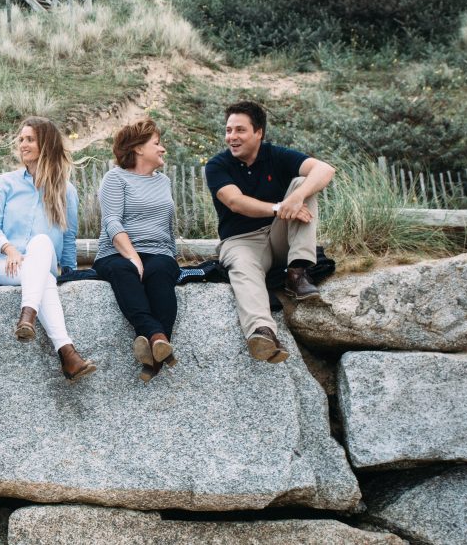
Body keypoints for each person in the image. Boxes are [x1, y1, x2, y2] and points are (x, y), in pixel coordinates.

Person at [205, 100, 335, 363]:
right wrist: (280, 207)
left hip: (279, 237)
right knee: (243, 270)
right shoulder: (217, 165)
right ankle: (262, 333)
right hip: (240, 242)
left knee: (303, 183)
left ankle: (297, 272)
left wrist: (297, 197)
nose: (232, 137)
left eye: (240, 130)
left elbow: (325, 169)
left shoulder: (275, 155)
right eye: (228, 130)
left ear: (259, 133)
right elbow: (235, 202)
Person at [0, 117, 96, 381]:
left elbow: (68, 237)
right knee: (42, 275)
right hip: (4, 264)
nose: (23, 144)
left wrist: (67, 270)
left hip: (40, 265)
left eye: (29, 139)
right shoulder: (7, 182)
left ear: (46, 144)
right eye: (21, 139)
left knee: (43, 244)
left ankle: (29, 317)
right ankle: (66, 351)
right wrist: (9, 249)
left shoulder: (65, 191)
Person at [92, 118, 179, 383]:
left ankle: (154, 348)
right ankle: (157, 338)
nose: (162, 148)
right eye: (157, 143)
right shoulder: (115, 178)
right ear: (139, 148)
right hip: (116, 253)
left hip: (159, 251)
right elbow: (112, 222)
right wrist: (132, 256)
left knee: (161, 271)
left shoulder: (163, 182)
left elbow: (168, 225)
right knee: (125, 270)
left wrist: (170, 257)